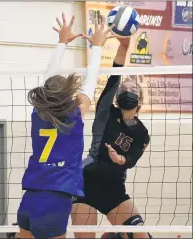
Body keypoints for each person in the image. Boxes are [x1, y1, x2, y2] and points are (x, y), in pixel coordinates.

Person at [17, 13, 114, 239]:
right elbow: (91, 79)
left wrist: (61, 43)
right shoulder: (75, 113)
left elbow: (48, 80)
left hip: (28, 201)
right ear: (68, 95)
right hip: (54, 202)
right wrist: (97, 46)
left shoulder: (37, 112)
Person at [72, 37, 152, 239]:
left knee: (140, 236)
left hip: (113, 188)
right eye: (124, 89)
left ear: (140, 100)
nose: (127, 91)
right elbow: (113, 79)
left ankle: (111, 235)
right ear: (117, 97)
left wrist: (121, 160)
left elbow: (132, 159)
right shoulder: (106, 112)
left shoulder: (142, 133)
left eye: (133, 90)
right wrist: (123, 47)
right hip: (85, 181)